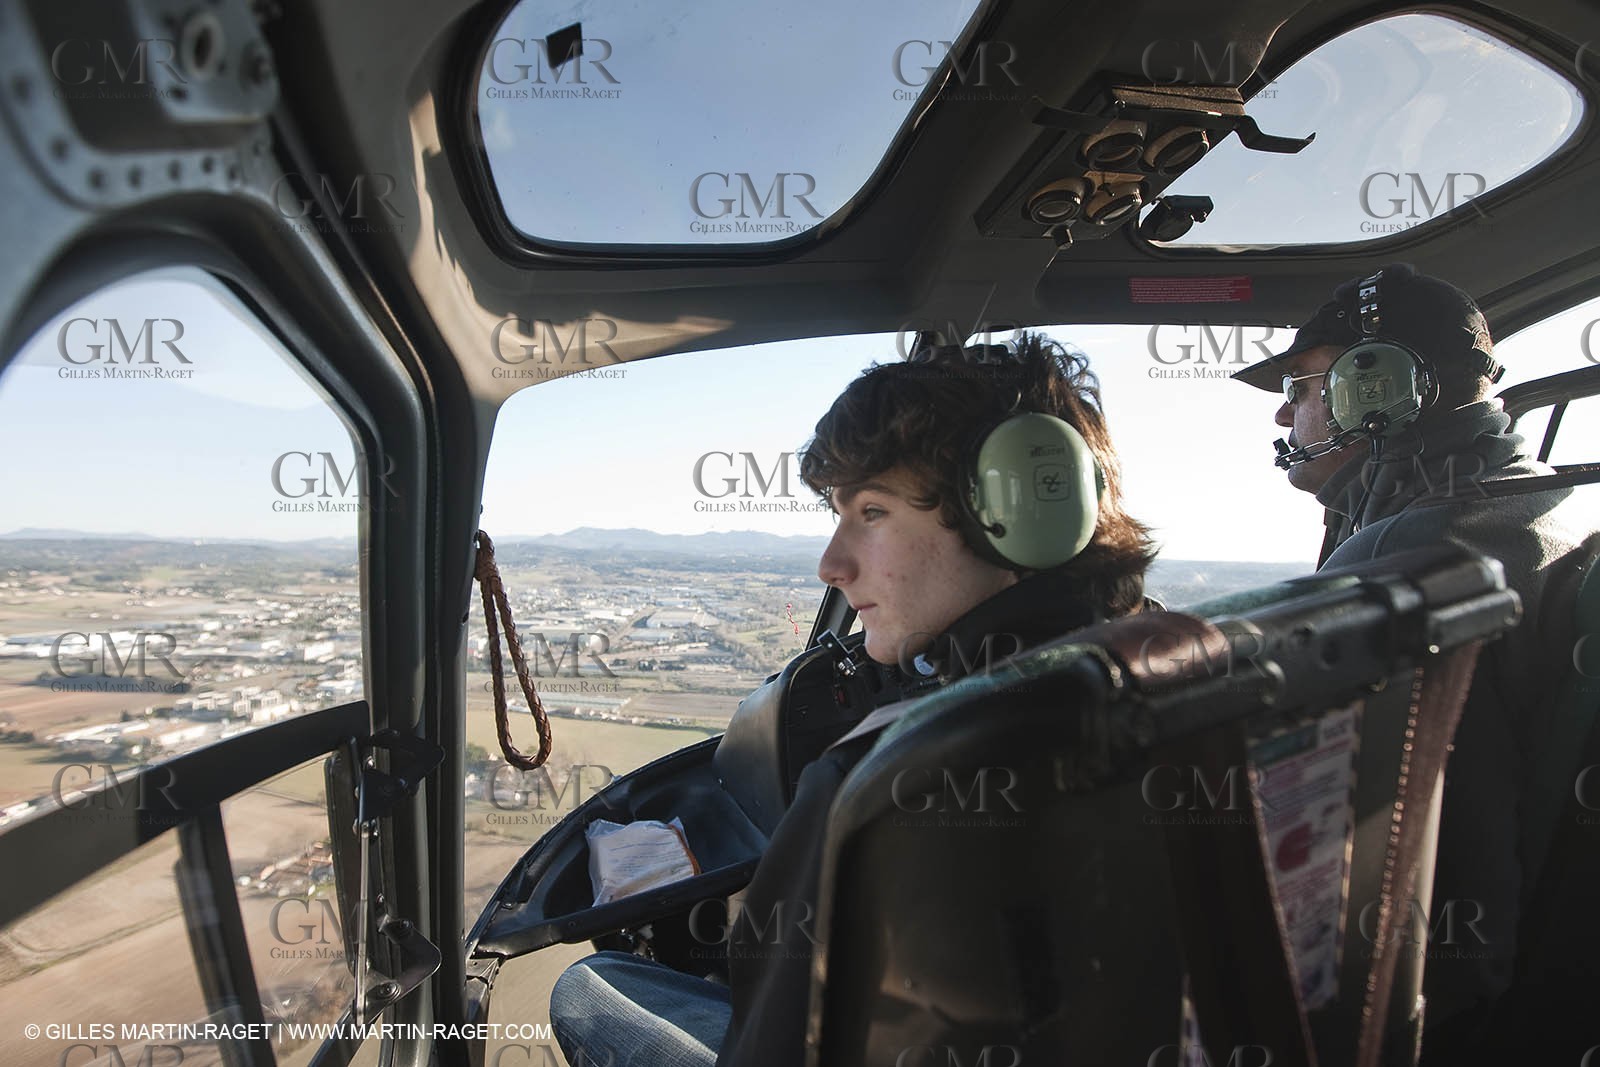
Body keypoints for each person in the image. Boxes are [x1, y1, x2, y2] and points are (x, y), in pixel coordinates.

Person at [550, 331, 1157, 1067]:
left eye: (871, 512)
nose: (830, 563)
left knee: (590, 984)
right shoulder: (1188, 669)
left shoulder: (880, 780)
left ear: (1019, 508)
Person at [1232, 263, 1600, 1061]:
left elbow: (1406, 913)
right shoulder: (1536, 510)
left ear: (1376, 389)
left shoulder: (1399, 563)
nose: (1284, 408)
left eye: (1299, 383)